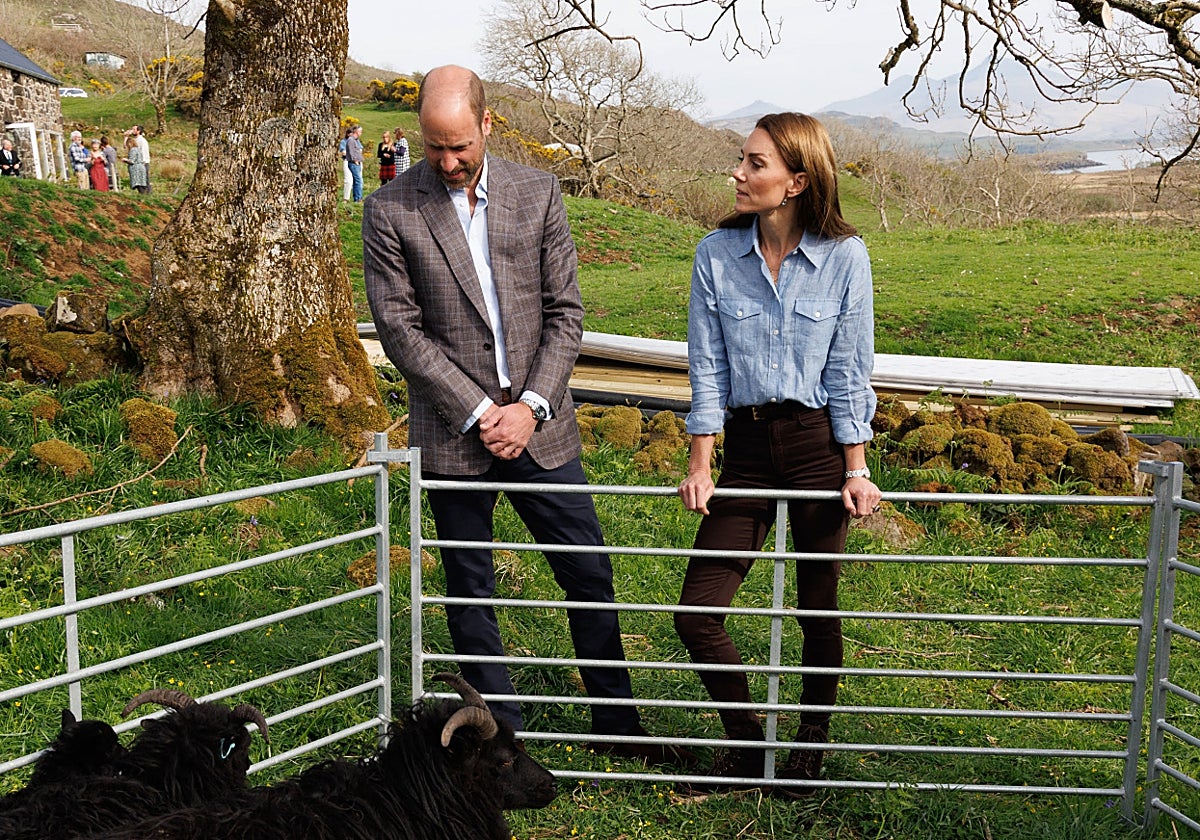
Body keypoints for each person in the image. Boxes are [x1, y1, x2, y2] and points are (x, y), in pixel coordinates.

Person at [363, 65, 693, 767]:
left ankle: (617, 723)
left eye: (460, 147)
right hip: (455, 436)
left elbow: (565, 313)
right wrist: (483, 410)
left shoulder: (538, 191)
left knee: (588, 572)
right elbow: (399, 330)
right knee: (469, 587)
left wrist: (530, 407)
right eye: (434, 149)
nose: (448, 163)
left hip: (544, 428)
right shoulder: (390, 209)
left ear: (487, 124)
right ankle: (500, 744)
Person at [674, 112, 881, 794]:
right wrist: (701, 463)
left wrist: (856, 469)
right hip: (751, 449)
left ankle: (808, 752)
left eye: (754, 163)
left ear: (796, 180)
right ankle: (748, 743)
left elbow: (851, 371)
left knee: (817, 606)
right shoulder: (715, 253)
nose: (738, 173)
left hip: (819, 445)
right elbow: (707, 368)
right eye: (742, 160)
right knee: (697, 612)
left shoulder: (845, 257)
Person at [345, 125, 364, 201]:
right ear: (356, 131)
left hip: (357, 163)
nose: (361, 133)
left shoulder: (356, 140)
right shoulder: (351, 140)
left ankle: (359, 197)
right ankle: (358, 198)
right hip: (353, 163)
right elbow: (351, 151)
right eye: (360, 131)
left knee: (358, 180)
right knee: (358, 180)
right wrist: (355, 160)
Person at [339, 127, 354, 201]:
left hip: (356, 161)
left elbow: (360, 150)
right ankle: (346, 198)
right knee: (348, 180)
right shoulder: (344, 142)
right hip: (347, 160)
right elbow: (343, 152)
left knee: (357, 180)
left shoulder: (356, 141)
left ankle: (357, 198)